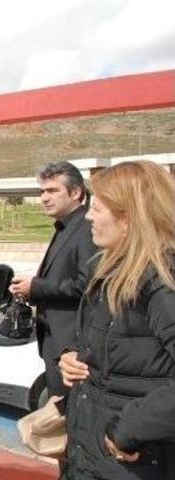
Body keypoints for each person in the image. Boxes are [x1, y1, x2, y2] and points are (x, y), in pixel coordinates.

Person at [58, 160, 175, 479]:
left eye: (97, 208)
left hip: (134, 463)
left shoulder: (161, 282)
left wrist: (128, 429)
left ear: (129, 216)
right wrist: (73, 358)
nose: (89, 217)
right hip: (95, 458)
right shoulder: (113, 273)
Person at [9, 161, 97, 399]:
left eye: (53, 191)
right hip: (55, 340)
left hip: (71, 344)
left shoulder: (88, 229)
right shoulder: (66, 228)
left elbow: (88, 286)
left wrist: (36, 286)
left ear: (76, 192)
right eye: (42, 192)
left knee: (70, 416)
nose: (45, 198)